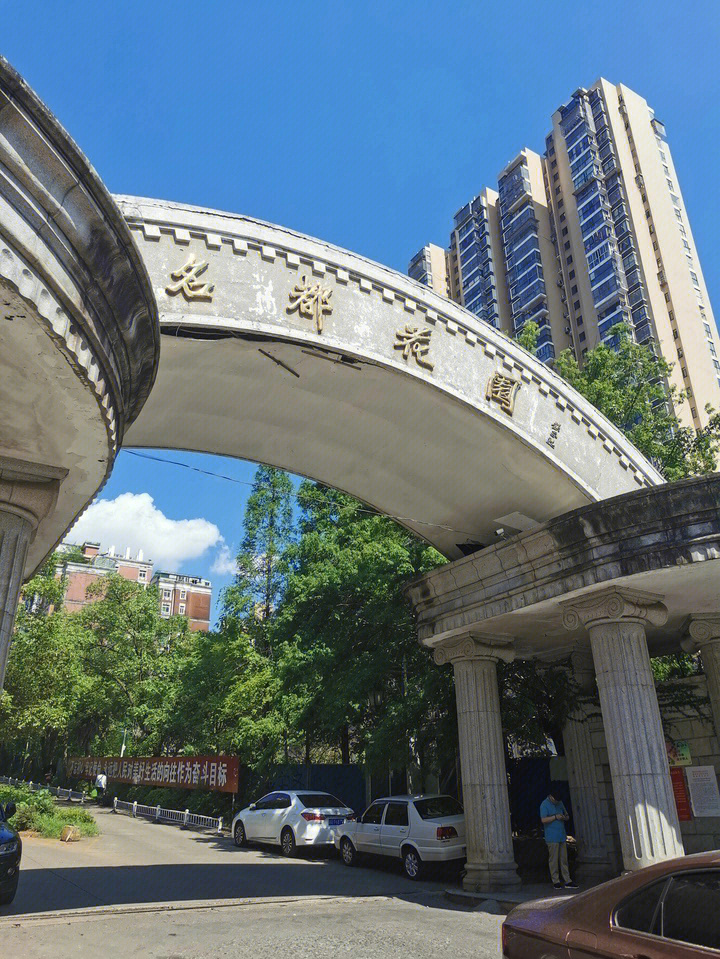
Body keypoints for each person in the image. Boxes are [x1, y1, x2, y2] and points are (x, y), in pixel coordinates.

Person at [540, 784, 577, 890]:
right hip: (551, 837)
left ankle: (567, 880)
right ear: (550, 796)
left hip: (561, 835)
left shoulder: (560, 803)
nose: (556, 802)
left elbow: (567, 815)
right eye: (555, 800)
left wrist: (564, 817)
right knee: (554, 860)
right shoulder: (544, 804)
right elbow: (543, 820)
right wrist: (555, 817)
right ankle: (555, 880)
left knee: (563, 859)